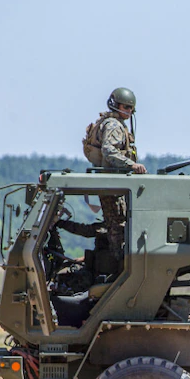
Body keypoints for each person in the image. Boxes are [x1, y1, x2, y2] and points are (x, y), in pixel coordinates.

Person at [73, 87, 145, 264]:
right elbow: (108, 150)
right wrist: (132, 165)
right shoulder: (114, 125)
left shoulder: (110, 123)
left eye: (130, 108)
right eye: (125, 107)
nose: (128, 111)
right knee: (117, 228)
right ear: (116, 105)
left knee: (115, 225)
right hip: (112, 185)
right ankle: (119, 268)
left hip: (113, 184)